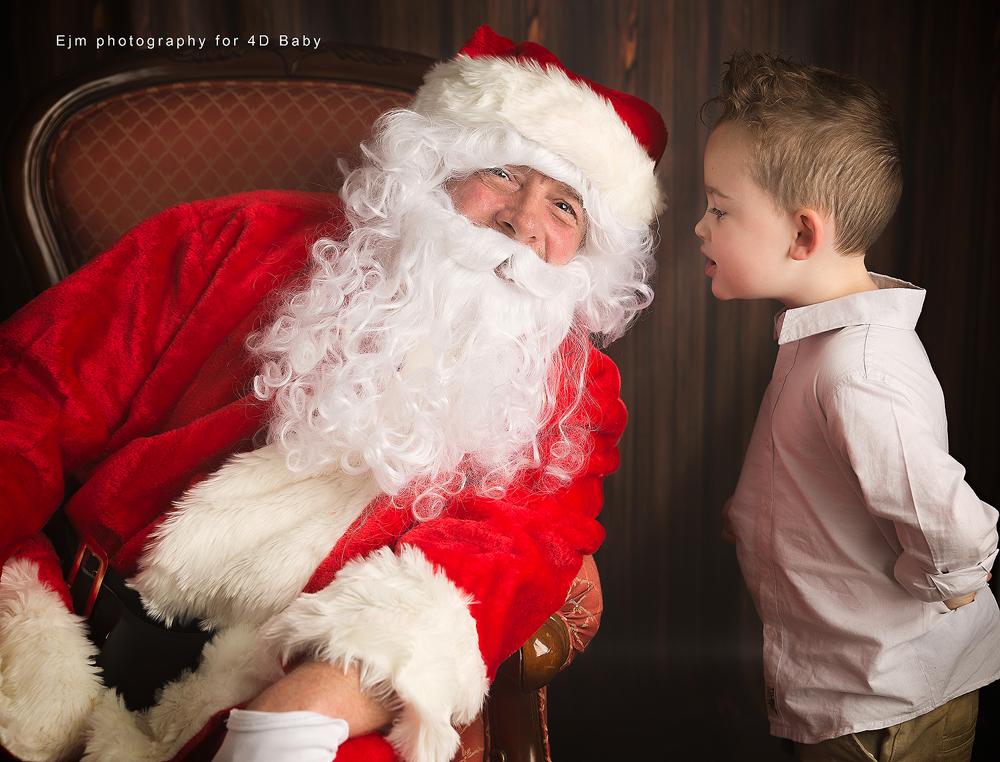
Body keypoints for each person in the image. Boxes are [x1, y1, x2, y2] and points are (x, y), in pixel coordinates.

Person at [0, 26, 666, 762]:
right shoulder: (232, 238)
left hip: (290, 678)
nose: (522, 220)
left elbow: (504, 552)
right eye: (504, 173)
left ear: (587, 253)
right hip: (62, 623)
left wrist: (313, 704)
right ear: (437, 164)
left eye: (565, 206)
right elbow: (31, 391)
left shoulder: (579, 396)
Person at [697, 51, 1000, 761]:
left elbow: (952, 534)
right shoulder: (825, 338)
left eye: (719, 208)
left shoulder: (855, 368)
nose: (702, 228)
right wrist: (755, 516)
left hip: (886, 707)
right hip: (852, 695)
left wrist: (940, 587)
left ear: (803, 234)